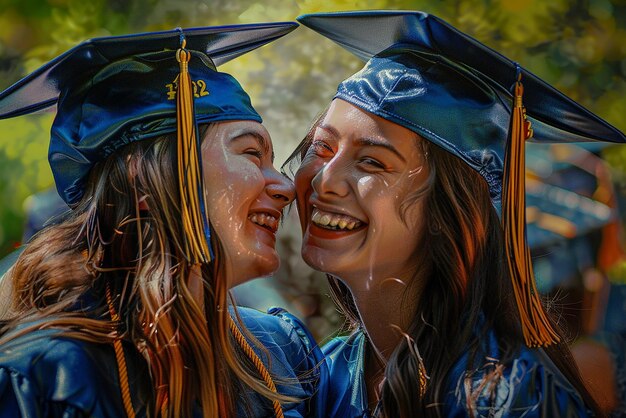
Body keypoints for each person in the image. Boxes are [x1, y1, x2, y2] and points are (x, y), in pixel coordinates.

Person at [287, 10, 626, 418]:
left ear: (446, 209)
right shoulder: (325, 374)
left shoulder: (511, 400)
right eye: (322, 147)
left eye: (372, 163)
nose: (325, 179)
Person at [0, 23, 328, 417]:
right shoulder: (43, 377)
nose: (286, 187)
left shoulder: (282, 355)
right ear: (144, 177)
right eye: (250, 154)